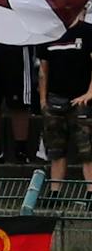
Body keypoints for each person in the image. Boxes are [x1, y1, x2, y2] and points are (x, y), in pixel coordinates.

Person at [39, 20, 92, 194]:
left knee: (87, 151)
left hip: (81, 100)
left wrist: (90, 93)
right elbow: (43, 70)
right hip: (55, 100)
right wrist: (43, 100)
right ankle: (55, 191)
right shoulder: (48, 31)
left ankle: (90, 192)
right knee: (55, 150)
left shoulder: (87, 31)